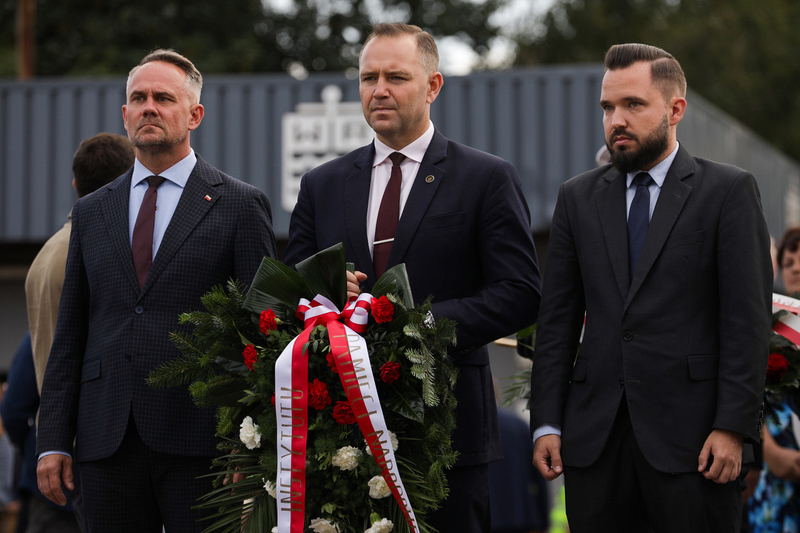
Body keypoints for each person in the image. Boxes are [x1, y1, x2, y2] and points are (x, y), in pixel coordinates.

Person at [283, 22, 541, 533]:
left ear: (433, 85)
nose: (379, 90)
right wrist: (329, 294)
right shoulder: (322, 184)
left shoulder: (484, 177)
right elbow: (291, 288)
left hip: (447, 433)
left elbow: (519, 293)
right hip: (339, 433)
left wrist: (414, 324)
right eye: (368, 77)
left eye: (396, 77)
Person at [530, 43, 773, 532]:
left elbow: (746, 322)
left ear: (675, 109)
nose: (616, 119)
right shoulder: (577, 198)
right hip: (595, 446)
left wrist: (732, 427)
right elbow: (556, 320)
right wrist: (548, 422)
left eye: (633, 105)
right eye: (608, 107)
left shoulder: (727, 191)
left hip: (697, 444)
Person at [35, 49, 277, 533]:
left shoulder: (239, 205)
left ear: (194, 114)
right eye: (138, 98)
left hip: (205, 442)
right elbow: (71, 334)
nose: (149, 107)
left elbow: (263, 332)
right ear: (125, 115)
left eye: (163, 98)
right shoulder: (90, 213)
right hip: (106, 442)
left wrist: (253, 443)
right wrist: (53, 439)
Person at [26, 132, 135, 397]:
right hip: (89, 428)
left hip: (57, 426)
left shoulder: (44, 256)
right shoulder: (97, 254)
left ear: (75, 183)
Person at [747, 227, 800, 532]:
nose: (795, 267)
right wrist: (771, 452)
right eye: (788, 260)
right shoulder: (770, 322)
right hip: (774, 479)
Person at [1, 333, 81, 533]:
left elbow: (13, 410)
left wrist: (35, 450)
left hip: (55, 492)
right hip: (65, 487)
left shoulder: (45, 332)